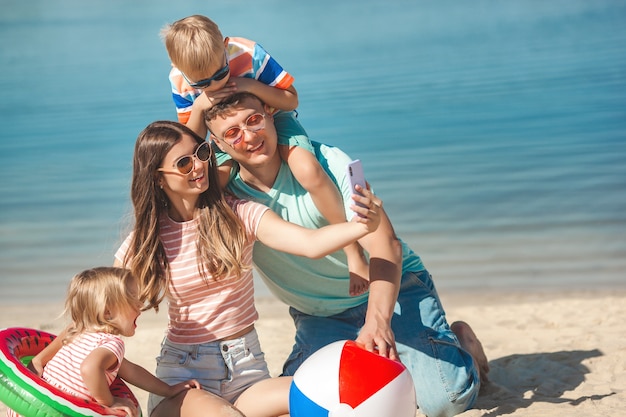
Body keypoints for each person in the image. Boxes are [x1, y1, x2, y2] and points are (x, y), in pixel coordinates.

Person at [204, 92, 491, 417]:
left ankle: (463, 347)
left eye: (253, 120)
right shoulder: (226, 197)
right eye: (233, 133)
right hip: (319, 315)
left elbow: (387, 246)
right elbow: (175, 166)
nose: (250, 136)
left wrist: (377, 322)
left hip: (393, 293)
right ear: (217, 144)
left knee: (446, 402)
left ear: (270, 114)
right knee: (304, 402)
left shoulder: (330, 163)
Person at [114, 120, 381, 417]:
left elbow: (311, 244)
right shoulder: (148, 238)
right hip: (185, 378)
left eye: (201, 153)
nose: (199, 166)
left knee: (326, 397)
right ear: (158, 178)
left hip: (246, 367)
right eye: (184, 162)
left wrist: (360, 226)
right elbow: (103, 303)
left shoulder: (239, 214)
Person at [161, 14, 370, 296]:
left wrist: (251, 87)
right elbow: (192, 140)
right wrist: (198, 107)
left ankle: (352, 249)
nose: (214, 87)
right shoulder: (180, 79)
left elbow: (291, 99)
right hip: (224, 138)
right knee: (210, 189)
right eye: (202, 83)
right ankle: (216, 262)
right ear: (181, 70)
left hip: (269, 117)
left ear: (225, 47)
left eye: (220, 75)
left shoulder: (247, 53)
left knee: (307, 170)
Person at [19, 267, 200, 417]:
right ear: (107, 313)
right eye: (133, 300)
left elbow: (133, 372)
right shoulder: (112, 344)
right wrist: (110, 402)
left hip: (28, 405)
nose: (140, 305)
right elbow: (89, 368)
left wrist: (168, 390)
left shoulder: (76, 330)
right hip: (59, 411)